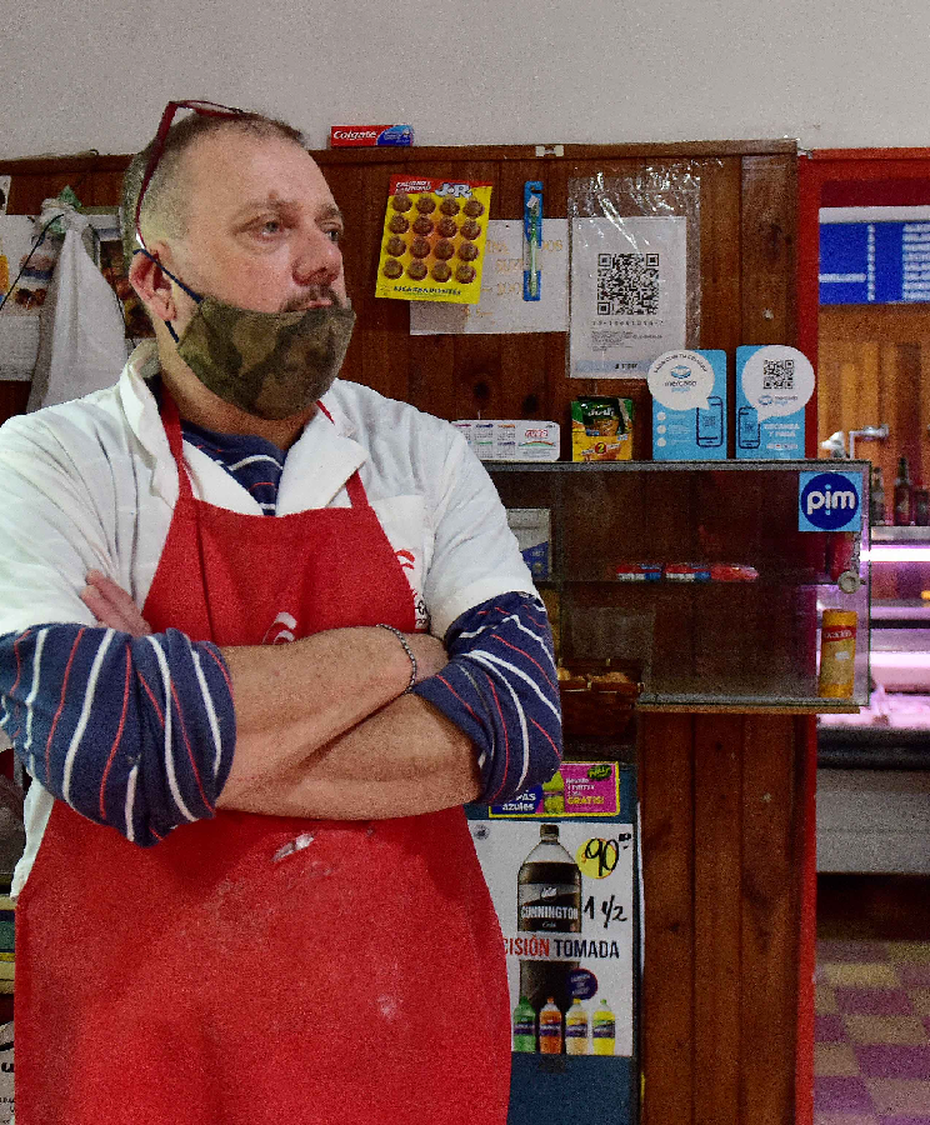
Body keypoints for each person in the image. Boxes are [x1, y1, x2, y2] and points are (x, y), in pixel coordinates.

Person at [0, 102, 562, 1123]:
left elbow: (519, 725)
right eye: (270, 228)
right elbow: (115, 745)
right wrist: (404, 654)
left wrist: (199, 728)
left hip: (403, 1039)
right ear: (157, 283)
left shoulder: (421, 454)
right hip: (140, 1055)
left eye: (329, 229)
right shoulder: (49, 465)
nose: (322, 264)